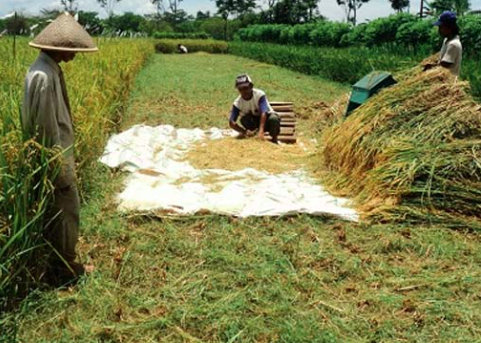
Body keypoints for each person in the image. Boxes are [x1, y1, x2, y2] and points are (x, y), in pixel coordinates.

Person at [22, 13, 98, 285]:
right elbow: (45, 129)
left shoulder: (47, 70)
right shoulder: (43, 77)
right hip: (54, 159)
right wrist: (57, 168)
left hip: (57, 156)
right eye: (72, 49)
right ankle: (64, 268)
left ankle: (60, 263)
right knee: (66, 212)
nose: (75, 54)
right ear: (59, 47)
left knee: (59, 214)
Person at [229, 74, 281, 144]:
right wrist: (244, 131)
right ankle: (254, 136)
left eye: (245, 88)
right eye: (240, 89)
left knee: (274, 118)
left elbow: (264, 112)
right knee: (244, 119)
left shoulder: (259, 95)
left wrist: (261, 131)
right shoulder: (238, 103)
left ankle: (274, 140)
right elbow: (231, 122)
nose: (244, 91)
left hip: (267, 121)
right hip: (254, 124)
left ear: (251, 86)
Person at [424, 11, 463, 77]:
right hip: (442, 78)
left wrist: (429, 67)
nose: (439, 30)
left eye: (441, 27)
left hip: (448, 82)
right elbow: (442, 60)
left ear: (449, 28)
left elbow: (444, 66)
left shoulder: (453, 44)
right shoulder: (446, 40)